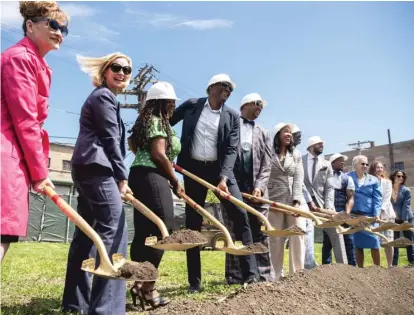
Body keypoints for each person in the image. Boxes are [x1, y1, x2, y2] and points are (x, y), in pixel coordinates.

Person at [170, 73, 259, 293]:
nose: (227, 90)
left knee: (241, 214)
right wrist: (164, 147)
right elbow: (166, 122)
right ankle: (194, 282)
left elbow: (230, 150)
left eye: (230, 88)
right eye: (223, 86)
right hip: (193, 170)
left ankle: (252, 275)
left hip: (220, 172)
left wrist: (223, 178)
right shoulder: (192, 106)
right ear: (210, 88)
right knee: (193, 223)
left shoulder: (232, 117)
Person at [61, 52, 133, 315]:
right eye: (117, 67)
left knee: (86, 234)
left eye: (127, 70)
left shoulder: (104, 98)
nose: (122, 72)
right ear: (104, 72)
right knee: (115, 229)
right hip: (97, 167)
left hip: (87, 168)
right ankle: (106, 309)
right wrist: (121, 176)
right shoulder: (103, 96)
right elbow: (110, 139)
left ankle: (75, 302)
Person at [1, 1, 69, 262]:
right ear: (30, 26)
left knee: (5, 233)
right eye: (53, 25)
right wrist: (41, 173)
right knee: (2, 232)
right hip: (6, 152)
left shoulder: (35, 62)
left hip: (14, 155)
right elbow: (25, 120)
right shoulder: (20, 59)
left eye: (64, 29)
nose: (59, 32)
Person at [127, 82, 182, 309]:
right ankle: (148, 288)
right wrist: (173, 179)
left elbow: (133, 144)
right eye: (171, 102)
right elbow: (159, 154)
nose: (173, 105)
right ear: (164, 102)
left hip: (139, 175)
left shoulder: (144, 123)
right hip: (152, 176)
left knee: (144, 233)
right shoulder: (158, 122)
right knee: (162, 229)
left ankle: (139, 284)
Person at [224, 93, 275, 284]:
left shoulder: (263, 132)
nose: (260, 108)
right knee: (235, 232)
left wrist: (260, 187)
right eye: (257, 104)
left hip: (256, 192)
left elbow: (266, 164)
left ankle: (263, 275)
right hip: (233, 188)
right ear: (245, 105)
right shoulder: (230, 126)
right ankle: (235, 275)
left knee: (259, 233)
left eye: (262, 106)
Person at [267, 122, 305, 280]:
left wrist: (296, 201)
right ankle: (275, 275)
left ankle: (296, 274)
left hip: (292, 201)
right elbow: (263, 174)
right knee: (275, 239)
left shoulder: (296, 154)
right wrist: (266, 200)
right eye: (286, 131)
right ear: (277, 135)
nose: (289, 134)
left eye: (290, 132)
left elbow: (298, 178)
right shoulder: (268, 153)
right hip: (273, 202)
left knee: (297, 235)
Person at [302, 137, 347, 268]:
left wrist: (328, 205)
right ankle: (307, 267)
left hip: (323, 205)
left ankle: (344, 266)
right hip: (304, 204)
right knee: (302, 233)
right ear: (311, 146)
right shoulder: (300, 161)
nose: (322, 145)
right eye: (319, 143)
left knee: (336, 232)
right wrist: (307, 201)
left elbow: (330, 187)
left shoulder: (326, 164)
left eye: (322, 144)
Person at [348, 155, 382, 268]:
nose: (365, 166)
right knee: (358, 244)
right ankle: (360, 269)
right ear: (355, 165)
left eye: (367, 164)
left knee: (374, 242)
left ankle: (377, 269)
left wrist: (376, 214)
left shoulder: (374, 180)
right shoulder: (348, 177)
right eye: (362, 164)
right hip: (354, 216)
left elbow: (377, 199)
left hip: (370, 217)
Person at [324, 153, 356, 266]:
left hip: (343, 214)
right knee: (328, 243)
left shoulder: (348, 178)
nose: (343, 162)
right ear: (332, 163)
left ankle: (352, 267)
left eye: (343, 161)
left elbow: (351, 198)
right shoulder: (325, 177)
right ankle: (325, 268)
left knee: (349, 241)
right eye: (339, 160)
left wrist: (346, 214)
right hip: (328, 214)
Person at [369, 161, 395, 267]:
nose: (379, 169)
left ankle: (390, 265)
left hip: (386, 215)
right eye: (377, 167)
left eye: (381, 167)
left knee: (388, 241)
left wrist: (380, 212)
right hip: (373, 215)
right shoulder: (368, 181)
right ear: (373, 169)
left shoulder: (387, 182)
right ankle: (377, 267)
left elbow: (386, 199)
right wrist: (374, 213)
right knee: (375, 241)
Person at [389, 170, 414, 266]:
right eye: (398, 176)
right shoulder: (389, 188)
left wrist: (405, 221)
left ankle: (412, 261)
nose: (401, 178)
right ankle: (394, 264)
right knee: (395, 241)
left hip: (406, 218)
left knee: (409, 240)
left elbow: (406, 206)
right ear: (394, 176)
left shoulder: (406, 190)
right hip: (393, 219)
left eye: (402, 177)